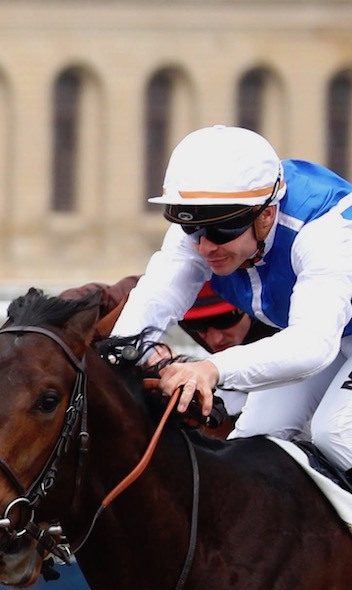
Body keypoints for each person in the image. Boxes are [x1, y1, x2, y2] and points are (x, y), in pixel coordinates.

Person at [110, 125, 352, 467]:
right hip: (339, 331)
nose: (205, 245)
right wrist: (120, 353)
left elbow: (312, 345)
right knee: (252, 442)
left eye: (222, 230)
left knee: (336, 432)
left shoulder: (325, 235)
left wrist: (211, 368)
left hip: (325, 335)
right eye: (192, 227)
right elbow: (157, 296)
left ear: (267, 215)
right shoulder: (211, 220)